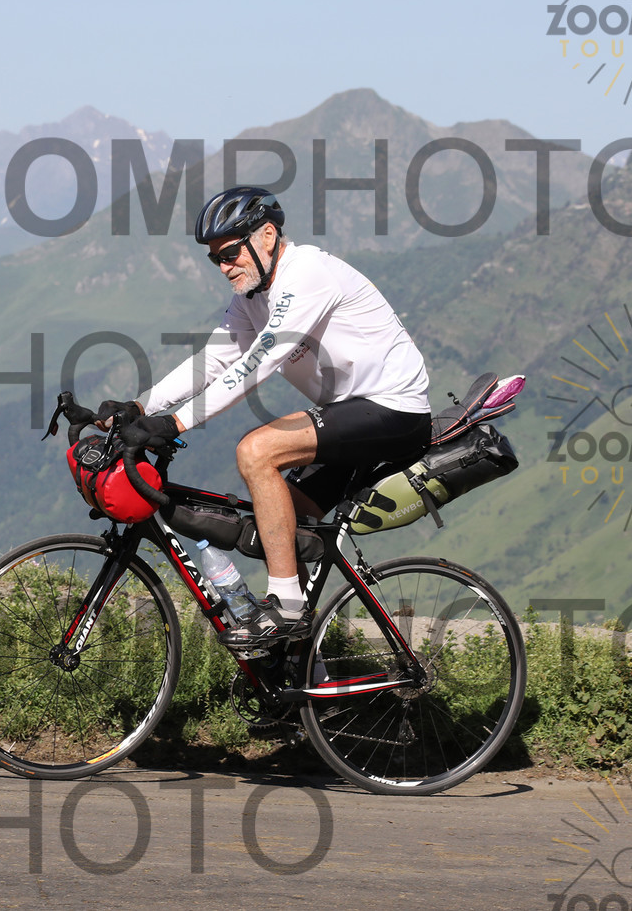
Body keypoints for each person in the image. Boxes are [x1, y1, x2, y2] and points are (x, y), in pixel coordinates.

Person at [96, 186, 431, 648]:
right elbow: (214, 359)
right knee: (278, 526)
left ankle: (286, 608)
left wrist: (175, 423)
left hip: (394, 408)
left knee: (256, 451)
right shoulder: (253, 293)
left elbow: (257, 364)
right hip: (347, 414)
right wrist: (141, 406)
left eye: (230, 253)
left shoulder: (307, 275)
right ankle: (300, 666)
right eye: (215, 259)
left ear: (267, 236)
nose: (224, 266)